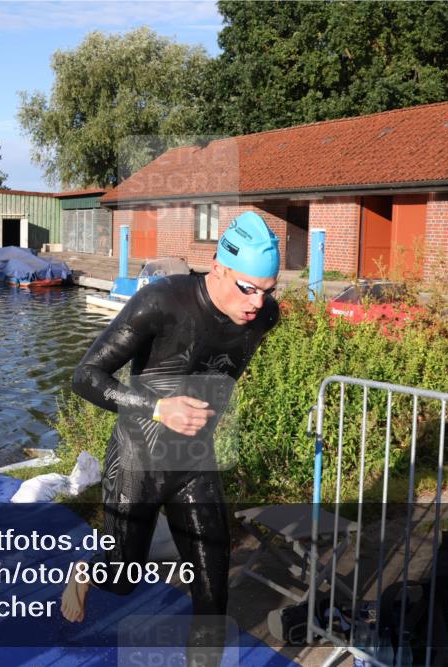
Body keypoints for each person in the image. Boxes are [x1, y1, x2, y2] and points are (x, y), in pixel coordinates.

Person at [61, 211, 281, 663]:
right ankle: (85, 570)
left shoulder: (265, 316)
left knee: (213, 592)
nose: (258, 303)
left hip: (195, 461)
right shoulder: (161, 301)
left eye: (268, 290)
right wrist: (160, 407)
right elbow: (85, 376)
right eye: (248, 287)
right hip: (137, 459)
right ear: (218, 268)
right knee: (122, 579)